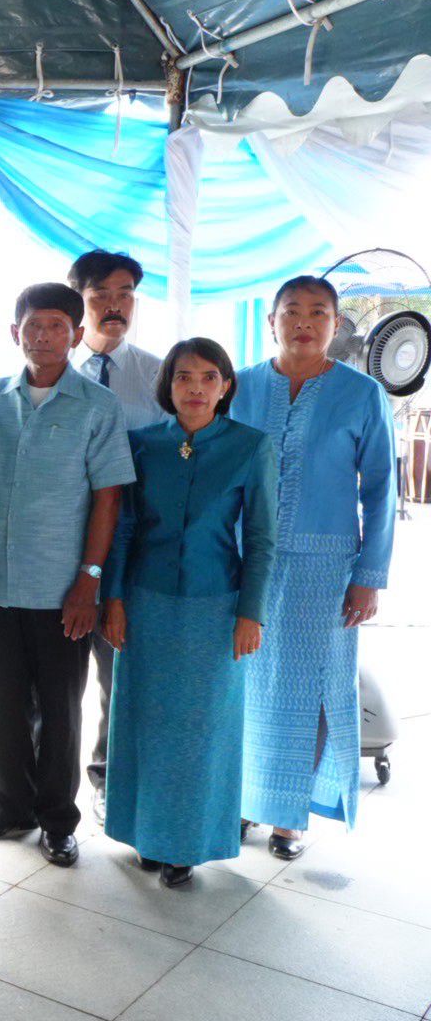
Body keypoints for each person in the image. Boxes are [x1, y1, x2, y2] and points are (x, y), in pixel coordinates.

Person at [0, 283, 133, 868]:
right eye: (34, 325)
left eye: (58, 326)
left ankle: (58, 821)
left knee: (61, 709)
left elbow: (108, 499)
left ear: (77, 335)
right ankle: (10, 807)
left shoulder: (96, 406)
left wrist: (89, 580)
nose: (45, 336)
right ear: (16, 333)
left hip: (65, 590)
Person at [230, 275, 396, 860]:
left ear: (335, 324)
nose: (304, 321)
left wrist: (369, 575)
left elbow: (380, 489)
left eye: (318, 312)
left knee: (312, 690)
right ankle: (246, 801)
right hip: (245, 561)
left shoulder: (361, 393)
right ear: (271, 320)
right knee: (246, 683)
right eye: (292, 311)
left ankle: (291, 817)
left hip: (326, 568)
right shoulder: (240, 386)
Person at [101, 338, 277, 886]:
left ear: (225, 386)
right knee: (145, 725)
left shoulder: (251, 446)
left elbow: (264, 537)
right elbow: (123, 529)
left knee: (201, 731)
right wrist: (114, 599)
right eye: (183, 377)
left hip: (216, 607)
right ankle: (146, 838)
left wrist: (252, 612)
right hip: (146, 603)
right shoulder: (141, 444)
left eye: (207, 377)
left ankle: (185, 846)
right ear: (167, 385)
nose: (195, 388)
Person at [67, 250, 164, 825]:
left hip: (127, 553)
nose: (115, 305)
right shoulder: (55, 371)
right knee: (50, 680)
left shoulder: (159, 376)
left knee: (116, 675)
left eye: (125, 293)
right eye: (101, 293)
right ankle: (39, 792)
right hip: (56, 546)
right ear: (78, 299)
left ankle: (108, 781)